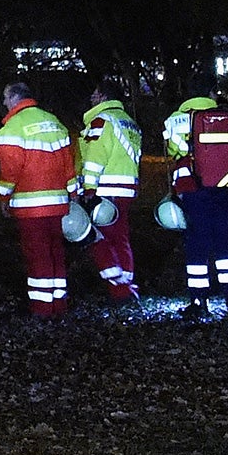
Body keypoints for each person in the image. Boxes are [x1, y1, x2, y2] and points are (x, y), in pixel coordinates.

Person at [164, 75, 228, 322]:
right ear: (211, 93)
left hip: (192, 188)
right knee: (227, 245)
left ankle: (198, 302)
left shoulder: (176, 119)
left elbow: (173, 150)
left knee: (197, 245)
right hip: (226, 188)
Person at [0, 82, 80, 318]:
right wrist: (73, 195)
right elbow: (68, 165)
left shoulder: (12, 129)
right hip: (58, 204)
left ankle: (42, 309)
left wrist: (3, 196)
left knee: (37, 255)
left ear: (14, 98)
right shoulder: (55, 123)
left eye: (5, 97)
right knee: (56, 253)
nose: (3, 103)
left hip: (30, 207)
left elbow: (10, 170)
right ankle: (58, 304)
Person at [80, 79, 143, 302]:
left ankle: (119, 288)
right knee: (121, 238)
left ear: (105, 97)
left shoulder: (101, 121)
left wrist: (89, 188)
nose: (92, 98)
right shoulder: (129, 122)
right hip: (127, 188)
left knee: (98, 238)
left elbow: (95, 157)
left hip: (106, 189)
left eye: (96, 94)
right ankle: (127, 283)